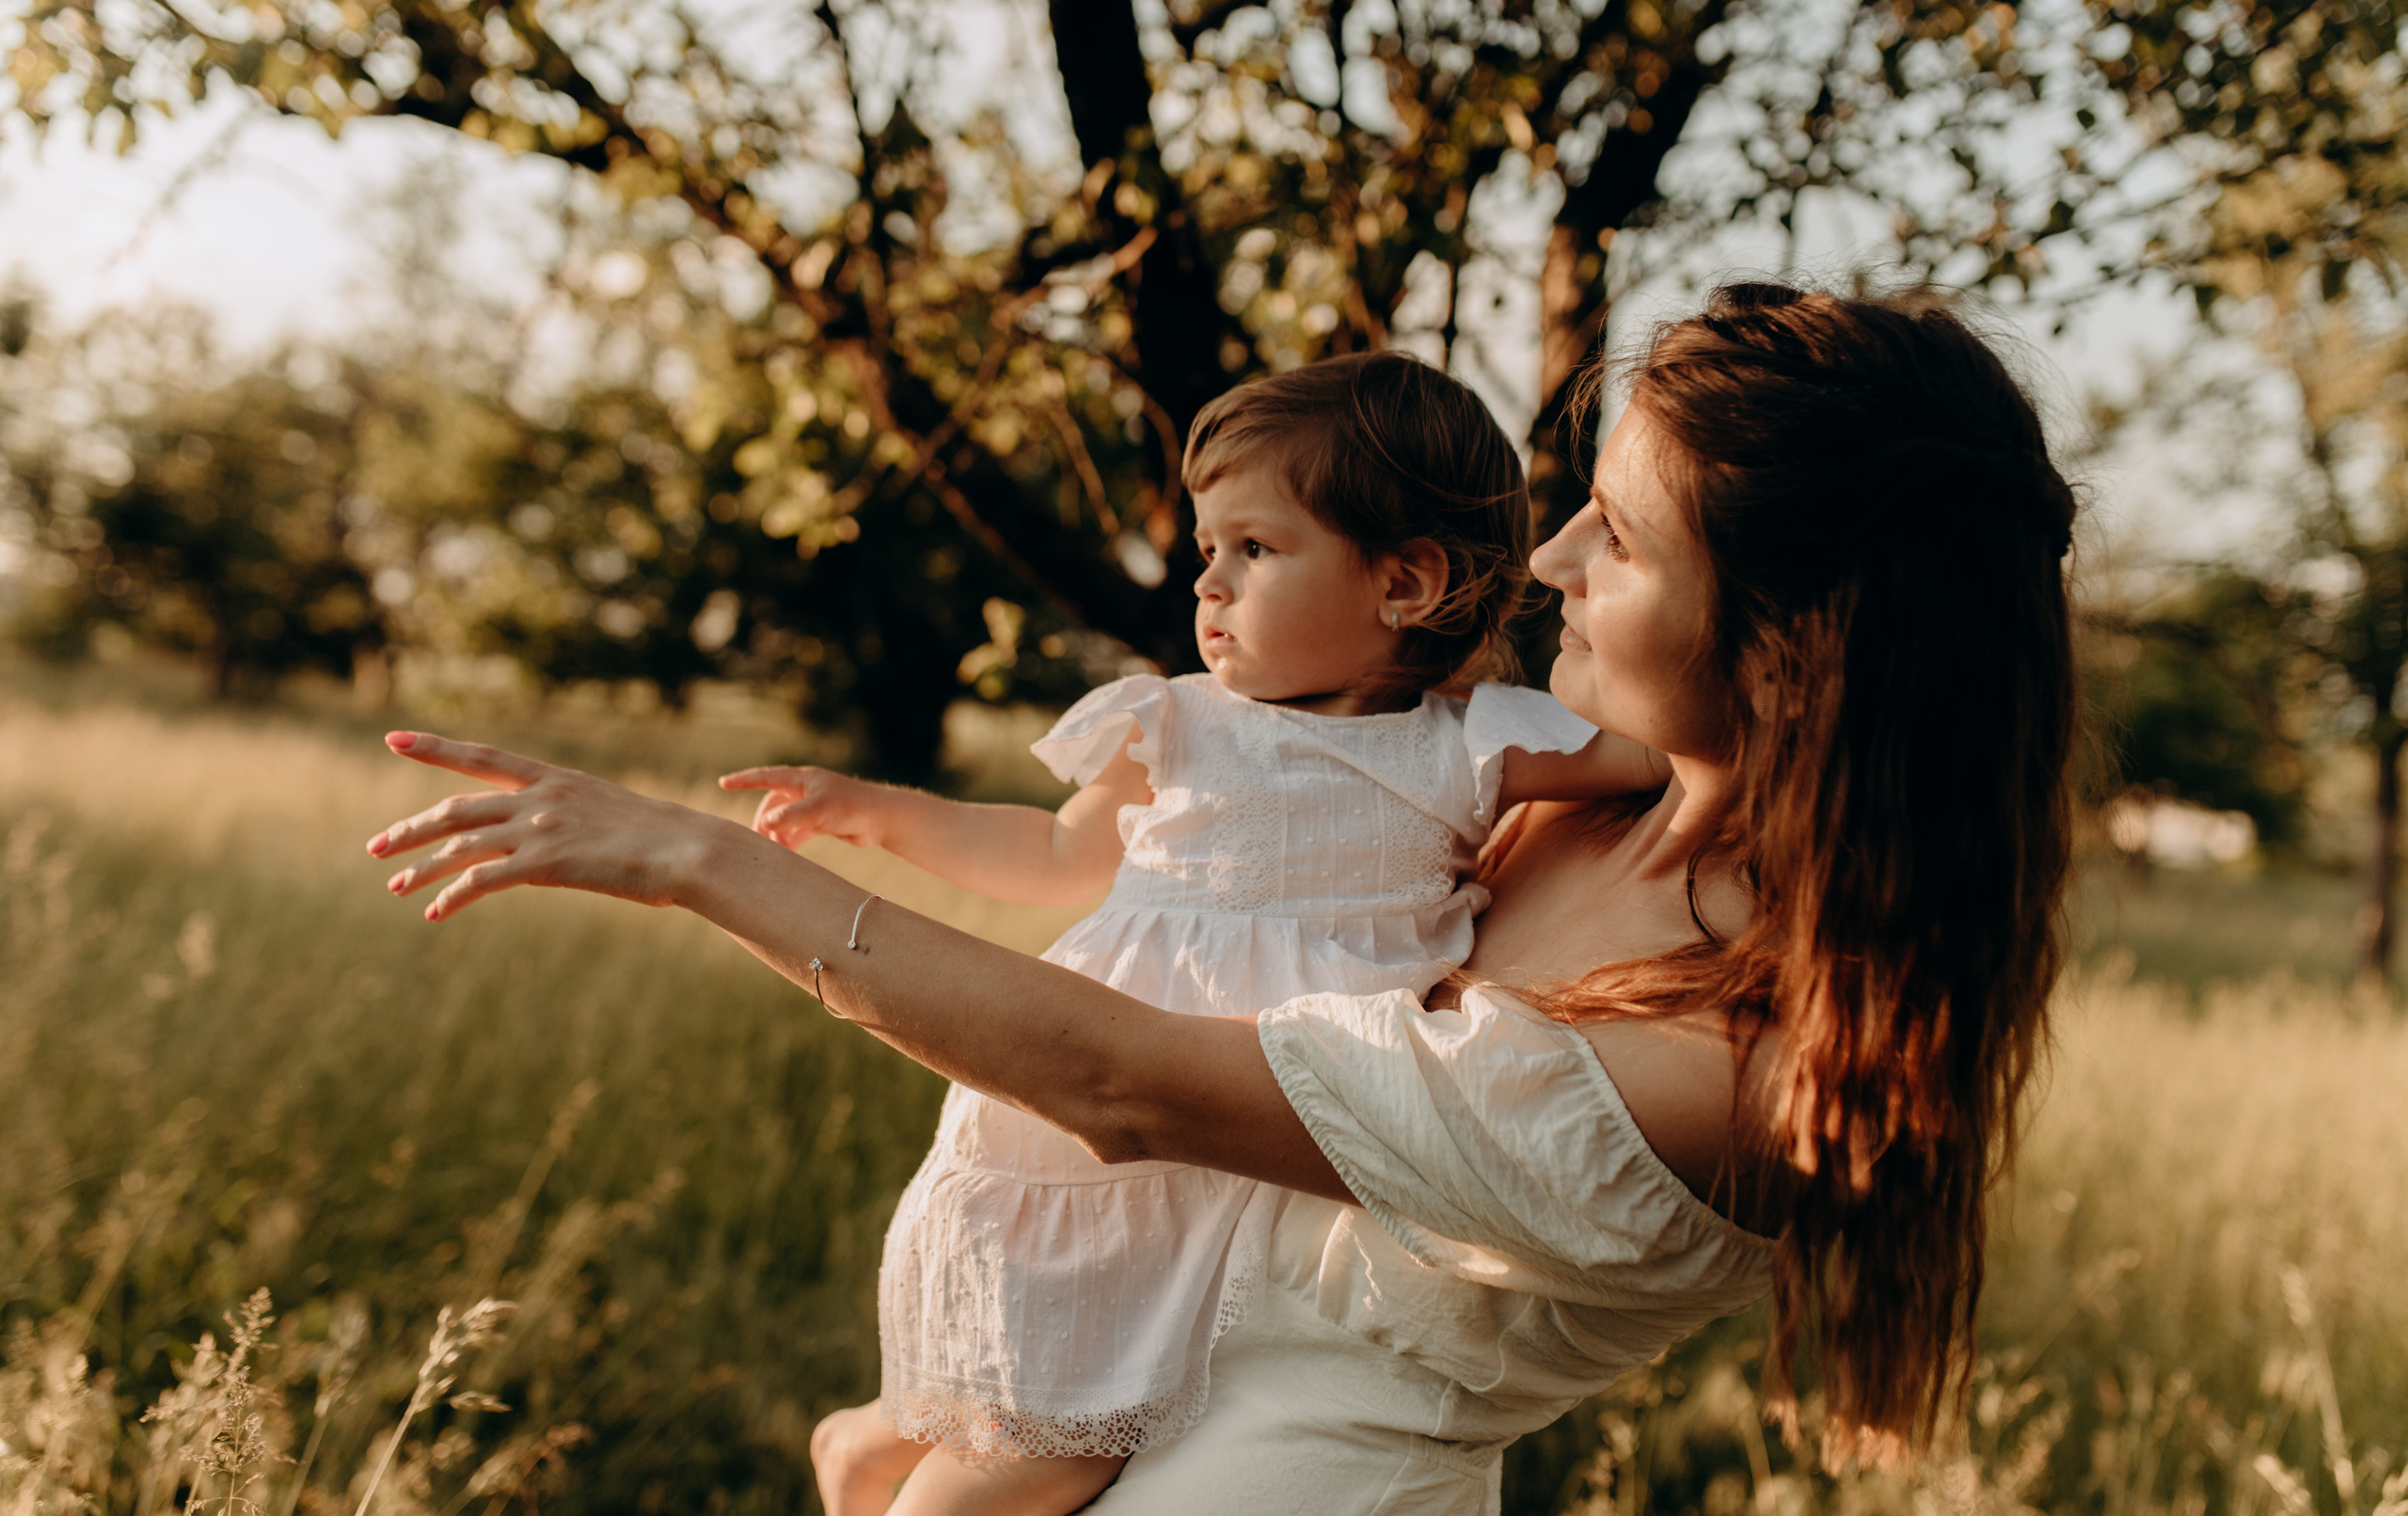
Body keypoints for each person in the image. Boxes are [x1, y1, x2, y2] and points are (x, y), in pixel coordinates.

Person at [365, 282, 2078, 1513]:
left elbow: (1132, 1085)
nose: (1546, 559)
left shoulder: (1734, 1065)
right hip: (1133, 1360)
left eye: (1615, 541)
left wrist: (699, 860)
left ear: (1797, 651)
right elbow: (1221, 856)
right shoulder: (1565, 809)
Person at [712, 353, 1670, 1516]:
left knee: (1042, 1440)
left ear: (1405, 583)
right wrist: (878, 812)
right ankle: (877, 1458)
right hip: (1107, 1127)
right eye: (1208, 549)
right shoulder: (1174, 722)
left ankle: (864, 1455)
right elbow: (1052, 856)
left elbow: (1672, 748)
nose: (1206, 583)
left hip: (1269, 1142)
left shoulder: (1472, 743)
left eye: (1254, 550)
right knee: (1025, 1449)